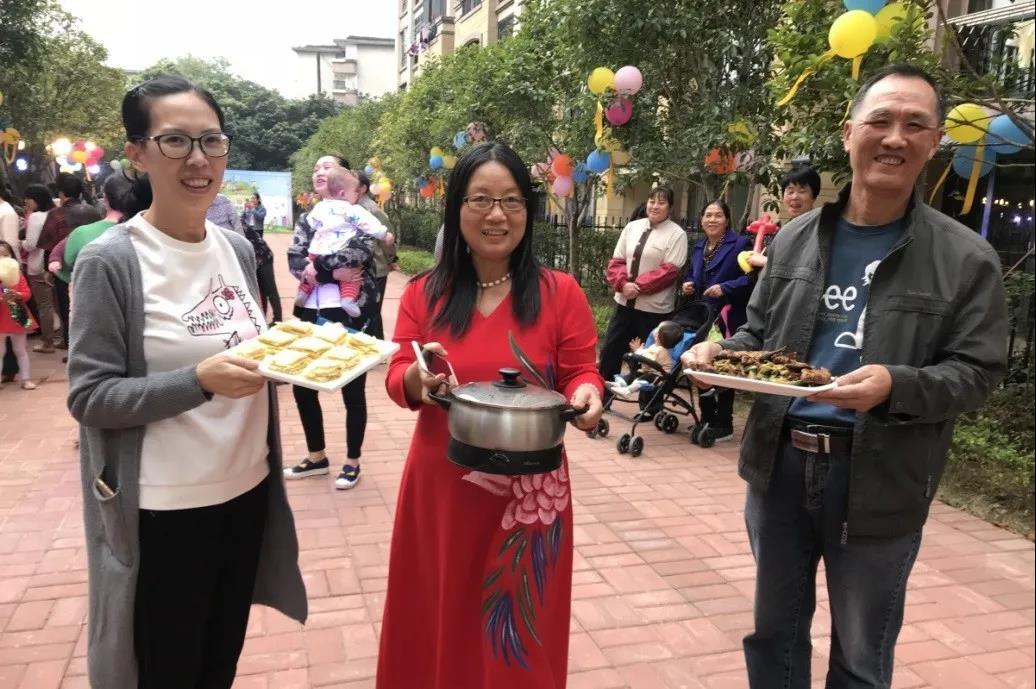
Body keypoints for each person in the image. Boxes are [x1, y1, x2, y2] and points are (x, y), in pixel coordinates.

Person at [682, 64, 1008, 689]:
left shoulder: (966, 258)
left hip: (881, 474)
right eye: (880, 120)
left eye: (915, 124)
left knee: (862, 653)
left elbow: (977, 372)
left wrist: (896, 385)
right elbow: (759, 337)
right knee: (773, 637)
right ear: (849, 131)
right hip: (778, 465)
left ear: (935, 141)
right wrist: (716, 355)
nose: (895, 137)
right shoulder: (794, 240)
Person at [66, 75, 307, 689]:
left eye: (212, 141)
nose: (198, 159)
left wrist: (292, 358)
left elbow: (244, 349)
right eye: (175, 141)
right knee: (167, 670)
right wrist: (197, 381)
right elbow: (90, 397)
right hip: (165, 511)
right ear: (137, 153)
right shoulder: (111, 261)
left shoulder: (235, 247)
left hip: (247, 491)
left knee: (218, 663)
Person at [377, 141, 603, 689]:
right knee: (436, 614)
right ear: (457, 207)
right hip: (442, 484)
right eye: (480, 199)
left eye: (511, 200)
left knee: (516, 633)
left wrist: (587, 395)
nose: (496, 215)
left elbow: (581, 371)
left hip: (529, 495)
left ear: (528, 209)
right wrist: (418, 380)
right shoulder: (425, 293)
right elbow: (399, 371)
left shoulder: (560, 292)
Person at [283, 155, 377, 489]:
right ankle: (316, 457)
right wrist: (332, 272)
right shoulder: (308, 218)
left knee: (353, 388)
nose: (319, 172)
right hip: (310, 311)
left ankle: (352, 462)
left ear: (344, 180)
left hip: (350, 311)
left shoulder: (358, 215)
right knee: (302, 385)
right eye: (316, 168)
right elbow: (295, 260)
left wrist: (318, 269)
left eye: (328, 167)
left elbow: (361, 254)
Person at [599, 186, 688, 407]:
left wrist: (637, 286)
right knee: (610, 351)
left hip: (654, 310)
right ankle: (602, 397)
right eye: (652, 201)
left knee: (652, 359)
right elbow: (617, 261)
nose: (655, 206)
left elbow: (669, 271)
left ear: (670, 207)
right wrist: (622, 284)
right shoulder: (632, 227)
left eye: (661, 202)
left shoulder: (677, 234)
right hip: (624, 305)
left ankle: (650, 406)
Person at [680, 199, 753, 440]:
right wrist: (689, 283)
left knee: (722, 366)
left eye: (718, 215)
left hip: (728, 315)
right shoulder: (700, 245)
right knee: (701, 364)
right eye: (708, 215)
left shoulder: (740, 244)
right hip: (703, 316)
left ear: (727, 220)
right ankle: (706, 418)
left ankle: (723, 423)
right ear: (701, 219)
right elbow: (693, 274)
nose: (712, 220)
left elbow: (752, 279)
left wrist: (725, 287)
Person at [294, 167, 392, 315]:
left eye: (327, 168)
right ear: (343, 193)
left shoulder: (319, 208)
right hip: (337, 256)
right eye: (355, 192)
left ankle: (303, 292)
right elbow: (372, 226)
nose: (357, 194)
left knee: (312, 274)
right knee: (352, 278)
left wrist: (317, 266)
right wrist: (385, 235)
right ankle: (348, 298)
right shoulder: (353, 210)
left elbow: (312, 224)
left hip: (316, 251)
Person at [38, 173, 102, 349]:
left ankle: (70, 342)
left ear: (61, 193)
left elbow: (47, 243)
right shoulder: (91, 210)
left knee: (67, 306)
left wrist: (48, 269)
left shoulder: (56, 214)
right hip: (92, 262)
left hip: (63, 267)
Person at [745, 165, 821, 270]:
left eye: (802, 191)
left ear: (814, 196)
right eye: (790, 191)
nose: (794, 197)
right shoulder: (785, 228)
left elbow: (807, 268)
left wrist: (765, 261)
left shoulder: (819, 231)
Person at [356, 171, 398, 340]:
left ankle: (378, 345)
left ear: (363, 188)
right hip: (363, 268)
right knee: (367, 310)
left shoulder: (372, 209)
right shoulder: (352, 208)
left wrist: (391, 259)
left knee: (372, 310)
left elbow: (388, 237)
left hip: (376, 268)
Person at [20, 184, 58, 353]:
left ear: (36, 200)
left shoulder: (35, 217)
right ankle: (62, 337)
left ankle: (47, 342)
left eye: (28, 199)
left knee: (44, 306)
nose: (26, 203)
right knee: (58, 304)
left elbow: (31, 244)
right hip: (54, 264)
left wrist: (20, 242)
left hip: (37, 266)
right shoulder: (55, 213)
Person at [604, 319, 683, 399]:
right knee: (633, 374)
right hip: (650, 371)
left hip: (658, 377)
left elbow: (647, 359)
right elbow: (647, 354)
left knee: (642, 378)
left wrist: (638, 352)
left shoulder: (661, 350)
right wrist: (639, 350)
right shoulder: (656, 347)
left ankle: (627, 391)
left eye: (657, 328)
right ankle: (620, 384)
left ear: (657, 336)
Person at [0, 240, 37, 390]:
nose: (3, 258)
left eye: (5, 255)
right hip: (1, 315)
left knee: (21, 350)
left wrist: (17, 295)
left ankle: (26, 379)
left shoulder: (18, 276)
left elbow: (27, 293)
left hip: (17, 312)